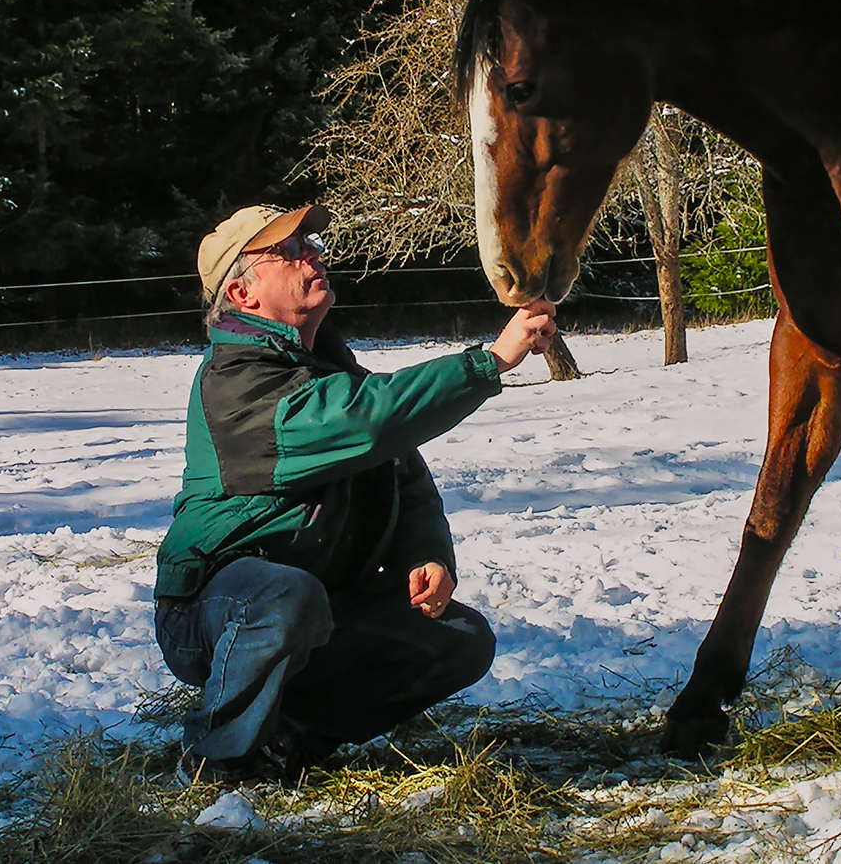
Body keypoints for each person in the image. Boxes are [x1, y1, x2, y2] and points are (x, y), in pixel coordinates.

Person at [156, 203, 556, 783]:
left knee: (460, 638)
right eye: (288, 252)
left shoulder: (328, 368)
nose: (312, 255)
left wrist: (428, 556)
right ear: (242, 295)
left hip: (315, 604)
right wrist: (490, 361)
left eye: (310, 245)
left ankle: (288, 738)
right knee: (283, 597)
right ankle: (220, 758)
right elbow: (368, 422)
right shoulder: (236, 383)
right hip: (215, 610)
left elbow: (405, 475)